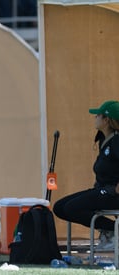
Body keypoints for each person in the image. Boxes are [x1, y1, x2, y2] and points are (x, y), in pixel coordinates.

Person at [53, 100, 119, 251]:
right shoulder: (104, 140)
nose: (94, 118)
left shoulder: (117, 141)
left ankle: (113, 231)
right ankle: (111, 230)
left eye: (98, 115)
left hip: (113, 193)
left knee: (71, 208)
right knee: (60, 207)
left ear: (106, 120)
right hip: (102, 189)